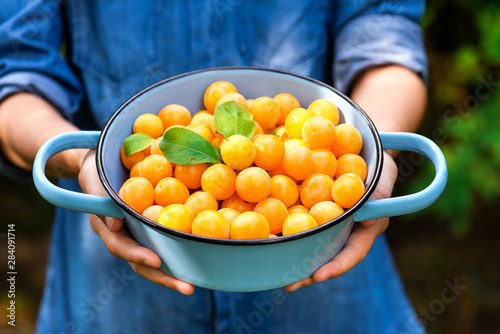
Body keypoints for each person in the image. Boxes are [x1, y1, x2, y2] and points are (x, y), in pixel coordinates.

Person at [0, 1, 428, 333]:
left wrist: (380, 149)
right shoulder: (161, 165)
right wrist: (82, 159)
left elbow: (385, 39)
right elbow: (16, 80)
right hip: (121, 299)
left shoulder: (301, 158)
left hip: (326, 280)